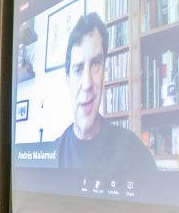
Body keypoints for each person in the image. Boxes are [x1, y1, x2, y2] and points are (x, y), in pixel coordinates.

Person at [55, 12, 156, 174]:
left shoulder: (134, 152)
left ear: (104, 71)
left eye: (95, 63)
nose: (87, 84)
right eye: (78, 69)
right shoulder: (53, 155)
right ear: (68, 80)